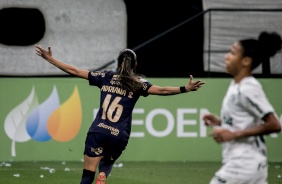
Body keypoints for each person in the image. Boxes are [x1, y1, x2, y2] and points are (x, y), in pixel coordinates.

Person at [35, 45, 205, 184]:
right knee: (108, 161)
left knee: (87, 176)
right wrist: (185, 88)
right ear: (135, 65)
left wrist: (50, 59)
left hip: (98, 131)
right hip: (118, 135)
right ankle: (104, 174)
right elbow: (162, 91)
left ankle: (97, 174)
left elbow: (75, 71)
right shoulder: (138, 83)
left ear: (118, 63)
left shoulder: (105, 76)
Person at [203, 31, 282, 184]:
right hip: (250, 166)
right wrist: (220, 122)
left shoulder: (248, 87)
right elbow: (244, 120)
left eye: (232, 53)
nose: (227, 56)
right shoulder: (236, 85)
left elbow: (274, 124)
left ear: (245, 61)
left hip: (242, 167)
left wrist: (234, 134)